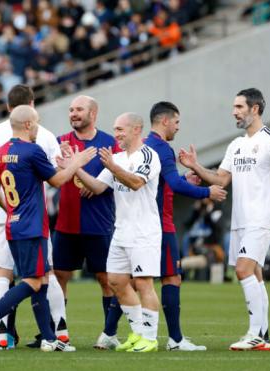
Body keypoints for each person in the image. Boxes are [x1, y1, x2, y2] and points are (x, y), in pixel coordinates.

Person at [99, 101, 227, 351]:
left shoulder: (147, 147)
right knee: (167, 278)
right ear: (165, 121)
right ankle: (174, 340)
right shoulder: (160, 149)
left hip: (141, 224)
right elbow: (171, 187)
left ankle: (110, 333)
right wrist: (206, 191)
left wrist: (183, 176)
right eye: (177, 122)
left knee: (128, 281)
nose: (178, 127)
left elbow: (165, 183)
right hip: (156, 223)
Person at [179, 88, 270, 351]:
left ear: (255, 109)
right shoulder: (236, 145)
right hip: (241, 220)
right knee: (254, 274)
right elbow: (221, 179)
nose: (234, 112)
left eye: (239, 107)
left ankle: (255, 334)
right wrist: (195, 166)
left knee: (243, 270)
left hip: (263, 218)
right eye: (234, 107)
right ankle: (263, 335)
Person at [0, 105, 96, 353]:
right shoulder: (33, 151)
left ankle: (49, 339)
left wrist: (9, 209)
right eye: (36, 122)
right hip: (32, 228)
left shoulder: (2, 151)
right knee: (33, 281)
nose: (38, 126)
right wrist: (77, 162)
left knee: (41, 279)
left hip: (14, 225)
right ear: (28, 125)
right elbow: (58, 181)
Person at [0, 84, 69, 347]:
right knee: (40, 278)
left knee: (4, 275)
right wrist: (77, 163)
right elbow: (57, 178)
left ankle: (13, 337)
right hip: (33, 222)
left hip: (6, 220)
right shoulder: (43, 140)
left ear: (8, 108)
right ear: (31, 114)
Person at [76, 112, 163, 352]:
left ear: (136, 129)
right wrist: (74, 167)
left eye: (120, 129)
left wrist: (113, 167)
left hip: (144, 232)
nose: (116, 134)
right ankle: (137, 333)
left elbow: (136, 183)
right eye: (114, 130)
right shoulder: (116, 158)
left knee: (144, 284)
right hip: (121, 231)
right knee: (116, 281)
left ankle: (150, 338)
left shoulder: (149, 156)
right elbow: (96, 186)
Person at [51, 95, 118, 349]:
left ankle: (108, 333)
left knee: (106, 278)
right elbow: (53, 174)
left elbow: (117, 174)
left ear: (93, 114)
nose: (74, 113)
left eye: (79, 109)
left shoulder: (109, 144)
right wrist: (67, 168)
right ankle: (60, 331)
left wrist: (97, 182)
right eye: (71, 110)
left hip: (98, 222)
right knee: (59, 275)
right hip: (67, 222)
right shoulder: (60, 142)